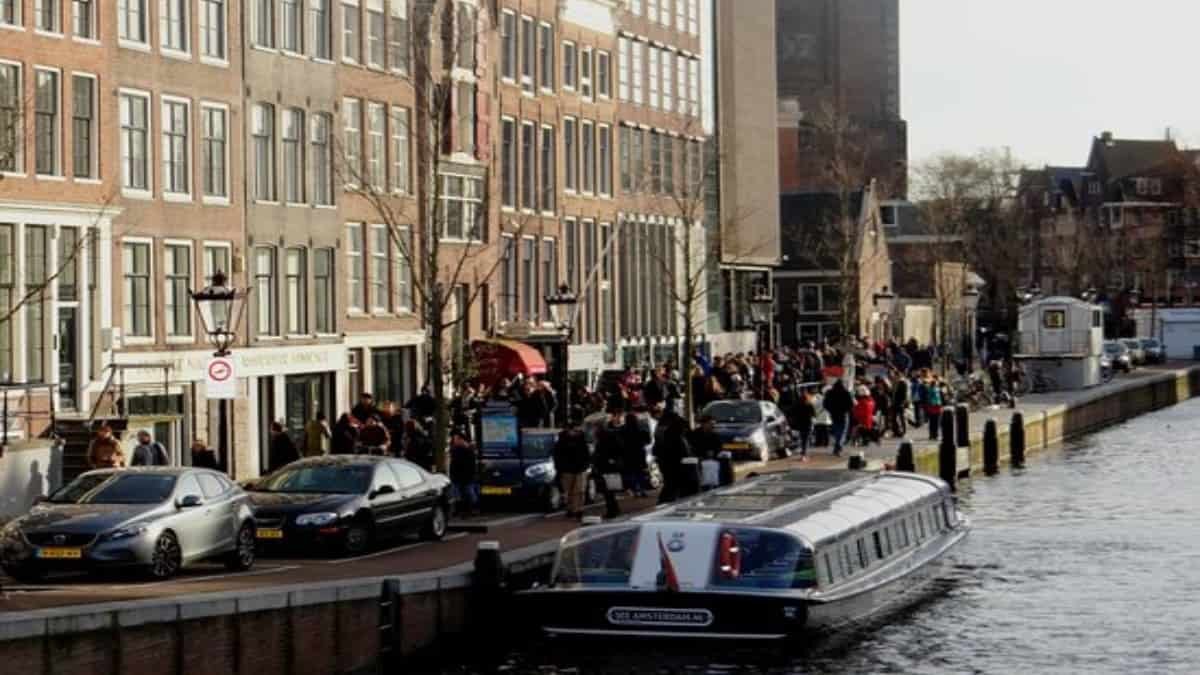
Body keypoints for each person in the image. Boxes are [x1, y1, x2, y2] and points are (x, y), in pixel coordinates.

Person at [553, 416, 591, 519]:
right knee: (569, 491)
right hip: (567, 469)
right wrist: (559, 467)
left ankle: (578, 510)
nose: (575, 432)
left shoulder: (581, 439)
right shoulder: (562, 440)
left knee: (579, 490)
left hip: (580, 468)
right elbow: (557, 455)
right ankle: (570, 509)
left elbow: (586, 453)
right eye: (573, 429)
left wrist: (586, 465)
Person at [593, 409, 626, 518]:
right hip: (605, 466)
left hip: (607, 466)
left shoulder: (607, 436)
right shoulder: (607, 436)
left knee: (608, 490)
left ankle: (612, 510)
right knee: (608, 491)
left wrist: (611, 459)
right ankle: (613, 509)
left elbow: (616, 449)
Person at [448, 430, 479, 517]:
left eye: (456, 439)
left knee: (468, 492)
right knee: (458, 493)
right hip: (458, 476)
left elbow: (469, 465)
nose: (454, 441)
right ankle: (461, 510)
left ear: (461, 439)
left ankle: (472, 508)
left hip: (466, 476)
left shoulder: (468, 450)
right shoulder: (456, 449)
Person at [619, 413, 651, 498]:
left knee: (631, 473)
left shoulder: (622, 429)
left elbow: (619, 442)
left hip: (627, 454)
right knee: (640, 472)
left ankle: (635, 490)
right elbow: (648, 440)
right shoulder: (640, 428)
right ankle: (642, 490)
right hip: (639, 453)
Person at [823, 380, 854, 456]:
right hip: (843, 414)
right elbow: (851, 404)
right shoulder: (846, 393)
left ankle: (837, 445)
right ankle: (838, 446)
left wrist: (830, 410)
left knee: (837, 430)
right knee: (843, 431)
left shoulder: (829, 393)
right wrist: (847, 410)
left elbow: (825, 404)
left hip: (834, 414)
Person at [788, 388, 816, 458]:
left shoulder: (797, 403)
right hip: (808, 423)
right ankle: (804, 453)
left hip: (800, 423)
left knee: (803, 437)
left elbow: (791, 412)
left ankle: (804, 451)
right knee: (806, 438)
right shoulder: (809, 404)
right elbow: (814, 414)